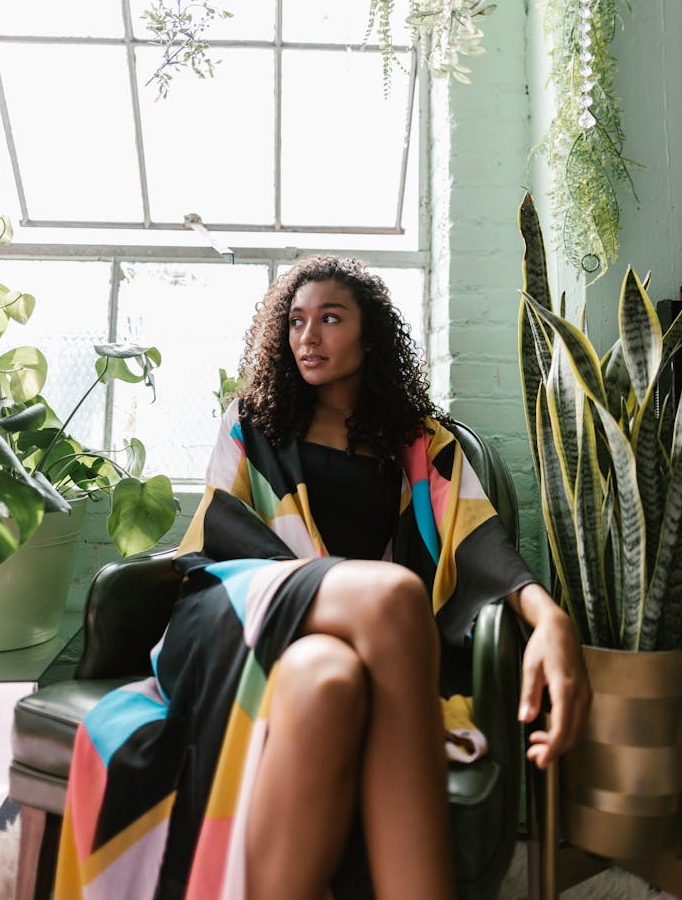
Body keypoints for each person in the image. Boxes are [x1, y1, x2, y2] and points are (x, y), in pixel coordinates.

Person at [55, 255, 590, 900]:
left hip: (335, 647)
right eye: (297, 321)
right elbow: (217, 536)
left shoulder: (420, 446)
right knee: (395, 595)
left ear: (370, 337)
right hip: (235, 610)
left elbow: (477, 541)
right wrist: (327, 588)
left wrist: (550, 617)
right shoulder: (252, 425)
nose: (308, 336)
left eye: (331, 319)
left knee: (329, 683)